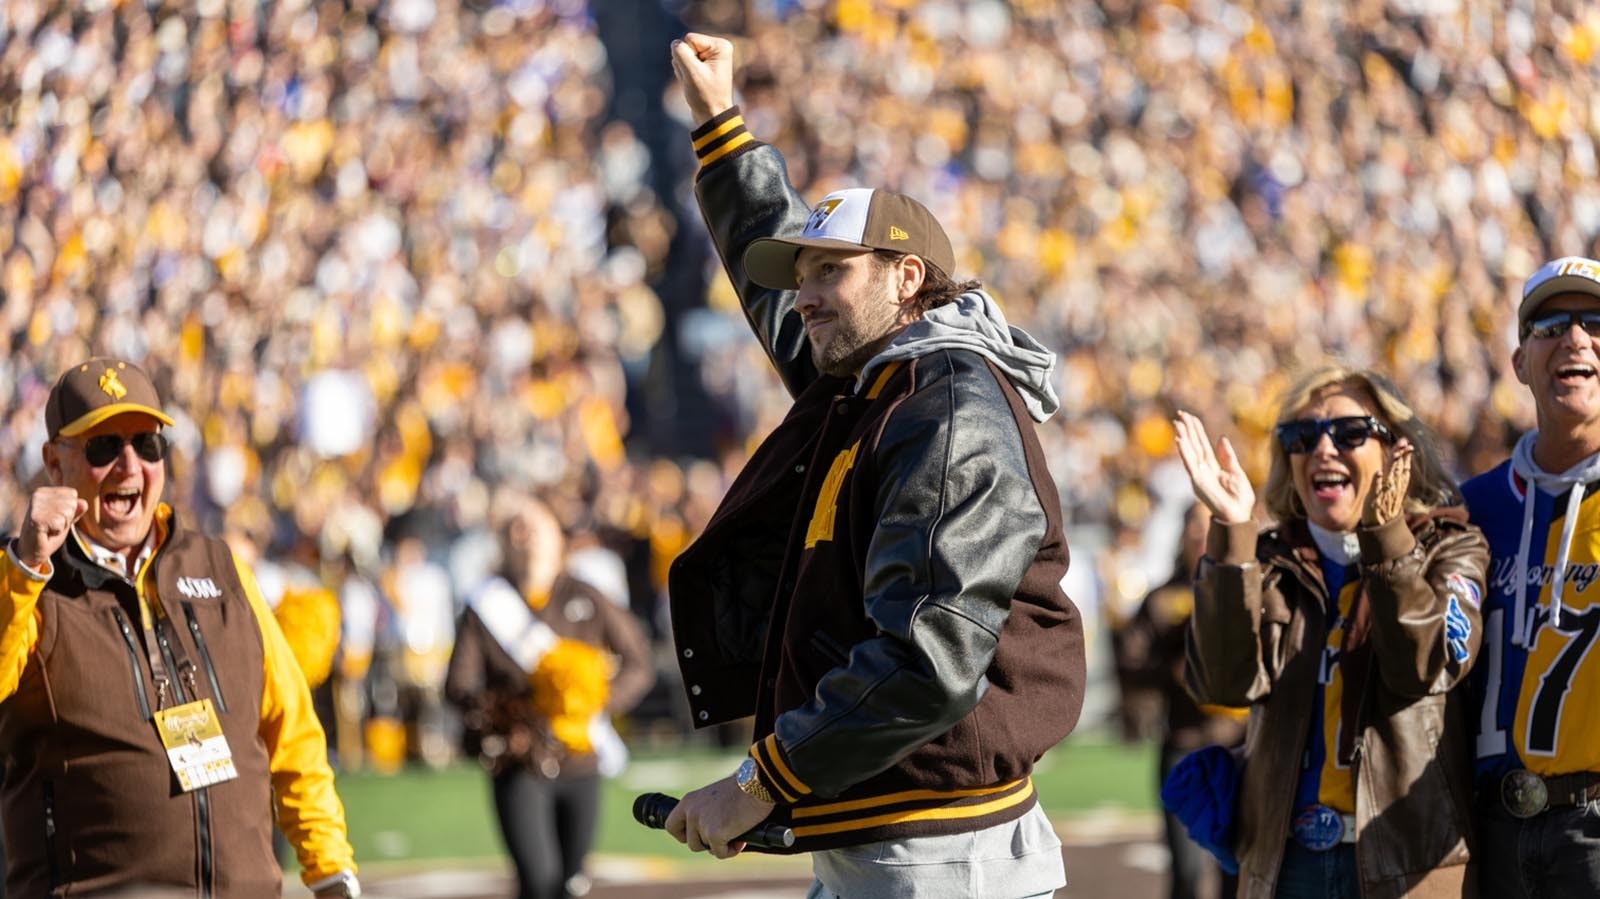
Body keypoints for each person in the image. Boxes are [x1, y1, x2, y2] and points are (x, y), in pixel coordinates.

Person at [662, 33, 1086, 899]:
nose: (806, 293)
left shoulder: (948, 404)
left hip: (942, 860)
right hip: (892, 843)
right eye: (802, 272)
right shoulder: (880, 381)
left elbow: (928, 653)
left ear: (906, 278)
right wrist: (721, 130)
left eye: (831, 271)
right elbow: (785, 312)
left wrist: (760, 781)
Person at [0, 357, 358, 897]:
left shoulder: (221, 567)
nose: (129, 466)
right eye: (103, 447)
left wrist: (330, 869)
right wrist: (25, 569)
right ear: (54, 464)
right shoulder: (26, 584)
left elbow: (292, 732)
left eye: (147, 445)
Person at [1174, 363, 1487, 898]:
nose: (1322, 449)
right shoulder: (1267, 559)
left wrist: (1386, 537)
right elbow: (1222, 685)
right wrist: (1231, 535)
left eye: (1348, 433)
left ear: (1397, 449)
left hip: (1406, 866)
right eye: (1302, 436)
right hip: (1285, 863)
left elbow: (1423, 667)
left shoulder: (1450, 545)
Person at [1461, 256, 1600, 897]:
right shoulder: (1473, 508)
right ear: (1520, 362)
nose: (1576, 338)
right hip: (1488, 831)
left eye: (1596, 322)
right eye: (1550, 324)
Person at [445, 494, 654, 899]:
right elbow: (459, 685)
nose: (526, 535)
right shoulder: (484, 605)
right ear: (503, 542)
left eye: (534, 524)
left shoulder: (587, 595)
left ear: (557, 536)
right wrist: (508, 716)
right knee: (537, 882)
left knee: (573, 884)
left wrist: (593, 700)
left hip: (581, 760)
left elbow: (638, 662)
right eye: (514, 527)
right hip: (521, 763)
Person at [1115, 501, 1246, 899]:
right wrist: (1174, 667)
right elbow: (1130, 662)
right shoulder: (1161, 599)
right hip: (1185, 747)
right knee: (1187, 873)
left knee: (1238, 874)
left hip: (1240, 749)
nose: (1201, 533)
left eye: (1211, 525)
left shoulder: (1249, 592)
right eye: (1194, 524)